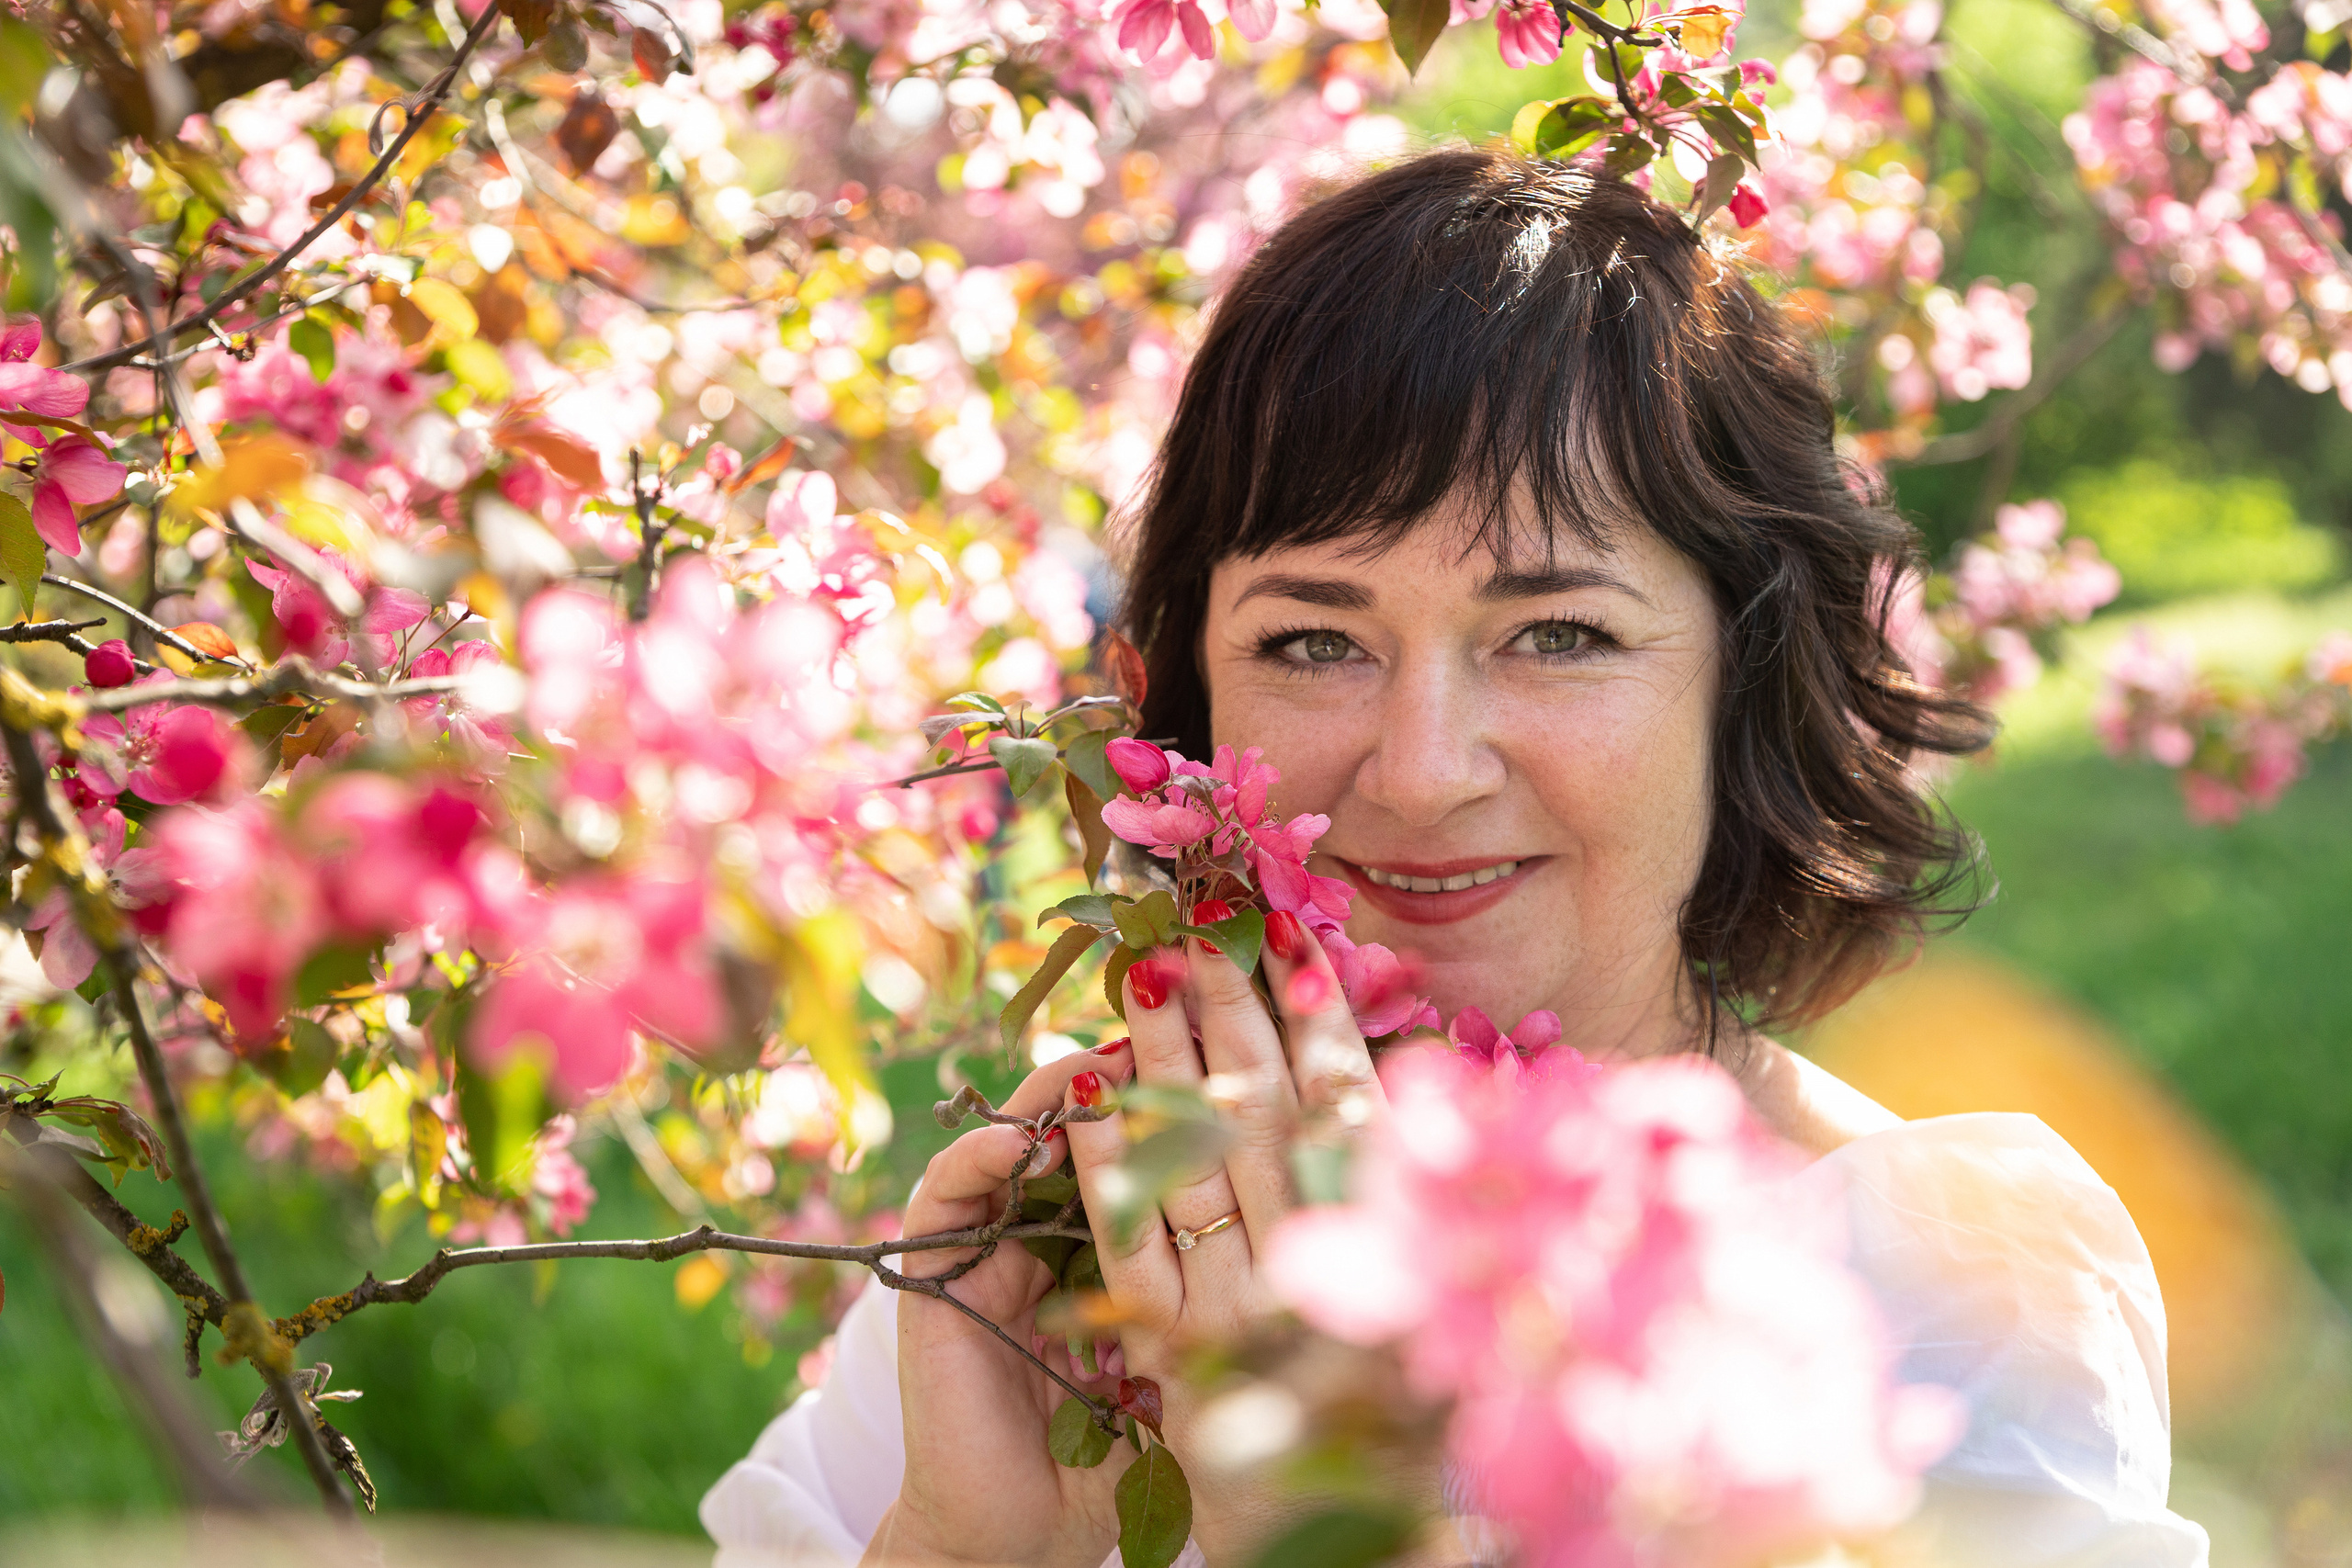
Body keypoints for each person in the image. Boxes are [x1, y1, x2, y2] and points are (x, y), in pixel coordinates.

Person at [703, 148, 2210, 1567]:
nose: (1423, 773)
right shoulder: (1066, 1254)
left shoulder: (1947, 1275)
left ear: (1742, 678)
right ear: (1185, 704)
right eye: (1312, 641)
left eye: (1558, 634)